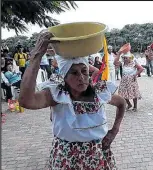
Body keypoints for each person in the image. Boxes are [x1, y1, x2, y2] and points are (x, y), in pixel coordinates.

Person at [18, 31, 125, 169]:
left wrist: (114, 130)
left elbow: (121, 103)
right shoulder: (57, 96)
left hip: (97, 156)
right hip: (66, 158)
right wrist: (37, 55)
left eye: (84, 71)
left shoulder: (98, 93)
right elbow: (26, 100)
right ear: (64, 77)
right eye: (74, 73)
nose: (81, 77)